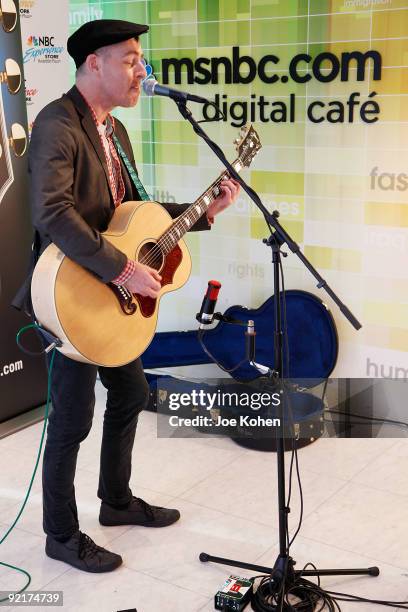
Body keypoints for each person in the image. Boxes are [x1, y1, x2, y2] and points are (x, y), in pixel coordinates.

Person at [12, 19, 240, 573]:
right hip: (73, 296)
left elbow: (131, 217)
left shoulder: (115, 131)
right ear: (95, 63)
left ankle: (115, 502)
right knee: (71, 418)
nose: (142, 70)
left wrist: (201, 214)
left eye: (140, 59)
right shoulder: (55, 122)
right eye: (132, 58)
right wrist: (123, 272)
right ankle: (61, 535)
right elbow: (53, 213)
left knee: (131, 391)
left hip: (111, 298)